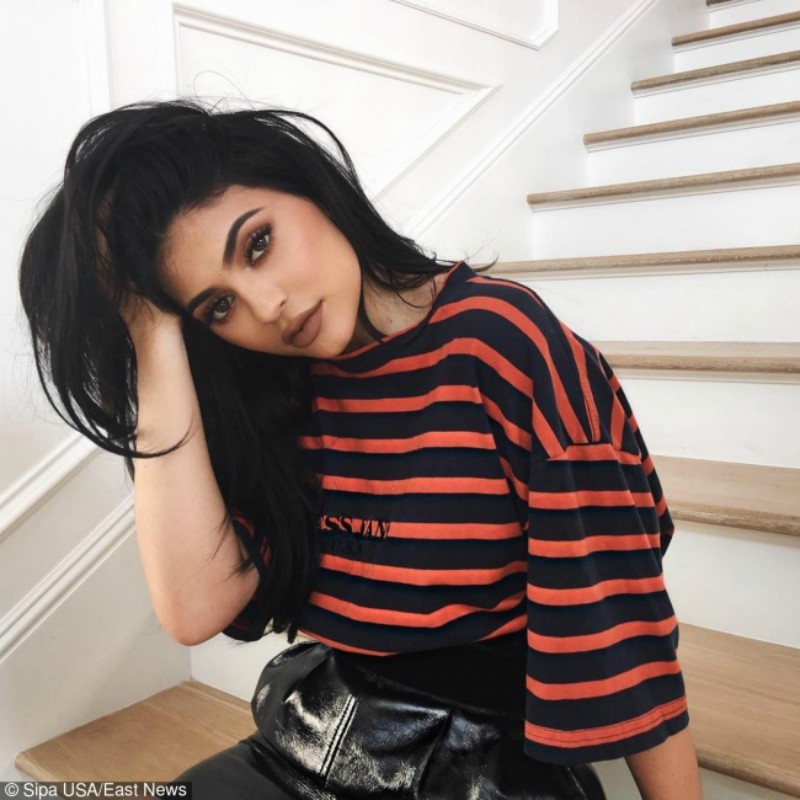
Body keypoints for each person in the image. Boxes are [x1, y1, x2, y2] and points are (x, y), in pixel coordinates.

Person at [17, 99, 702, 799]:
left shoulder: (501, 341)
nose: (267, 307)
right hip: (311, 732)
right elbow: (193, 609)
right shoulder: (273, 394)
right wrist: (151, 328)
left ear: (306, 184)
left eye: (258, 244)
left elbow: (624, 627)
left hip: (481, 766)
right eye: (217, 307)